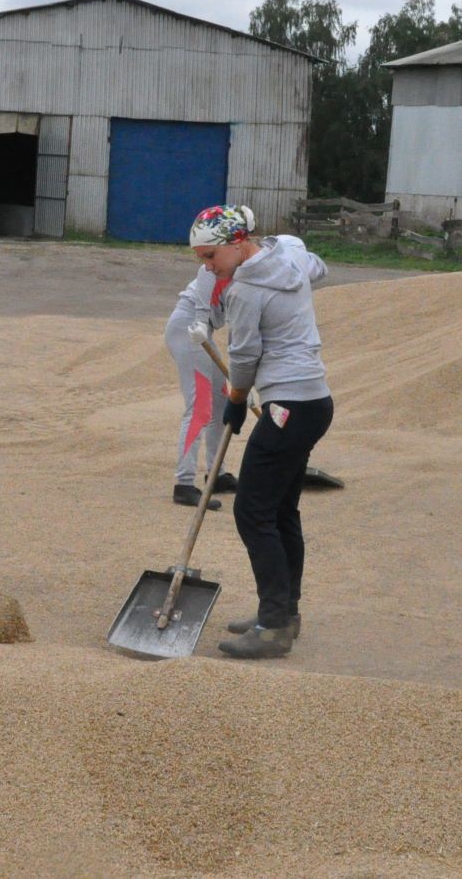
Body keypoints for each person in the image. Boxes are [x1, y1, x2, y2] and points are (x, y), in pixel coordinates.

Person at [188, 204, 333, 661]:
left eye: (210, 257)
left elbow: (245, 358)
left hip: (288, 403)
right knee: (281, 509)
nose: (207, 268)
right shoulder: (286, 252)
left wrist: (235, 402)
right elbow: (319, 266)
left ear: (236, 244)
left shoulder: (245, 292)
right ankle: (284, 614)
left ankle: (273, 626)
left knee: (252, 511)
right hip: (313, 401)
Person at [165, 260, 237, 508]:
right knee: (199, 408)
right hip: (189, 328)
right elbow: (205, 274)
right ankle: (183, 485)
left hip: (203, 330)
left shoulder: (252, 273)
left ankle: (217, 474)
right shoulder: (220, 266)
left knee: (222, 401)